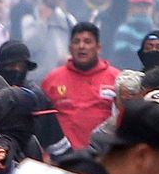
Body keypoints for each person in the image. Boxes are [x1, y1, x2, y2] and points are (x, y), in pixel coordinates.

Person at [38, 22, 118, 151]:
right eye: (76, 42)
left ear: (98, 47)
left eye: (87, 41)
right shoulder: (52, 79)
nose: (82, 46)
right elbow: (41, 122)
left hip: (102, 158)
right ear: (70, 48)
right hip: (62, 160)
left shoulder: (115, 79)